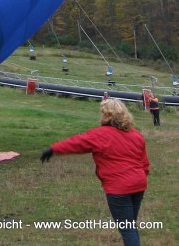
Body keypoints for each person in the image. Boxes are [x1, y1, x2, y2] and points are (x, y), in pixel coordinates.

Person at [40, 98, 150, 246]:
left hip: (119, 188)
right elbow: (145, 164)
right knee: (130, 225)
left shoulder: (100, 135)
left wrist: (53, 149)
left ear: (106, 115)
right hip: (139, 184)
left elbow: (77, 143)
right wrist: (139, 177)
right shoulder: (136, 135)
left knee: (127, 228)